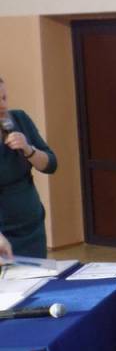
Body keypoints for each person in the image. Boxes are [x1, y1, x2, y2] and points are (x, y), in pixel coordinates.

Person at [0, 76, 57, 257]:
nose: (3, 106)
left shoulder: (19, 119)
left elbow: (51, 165)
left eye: (4, 98)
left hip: (32, 226)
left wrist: (28, 149)